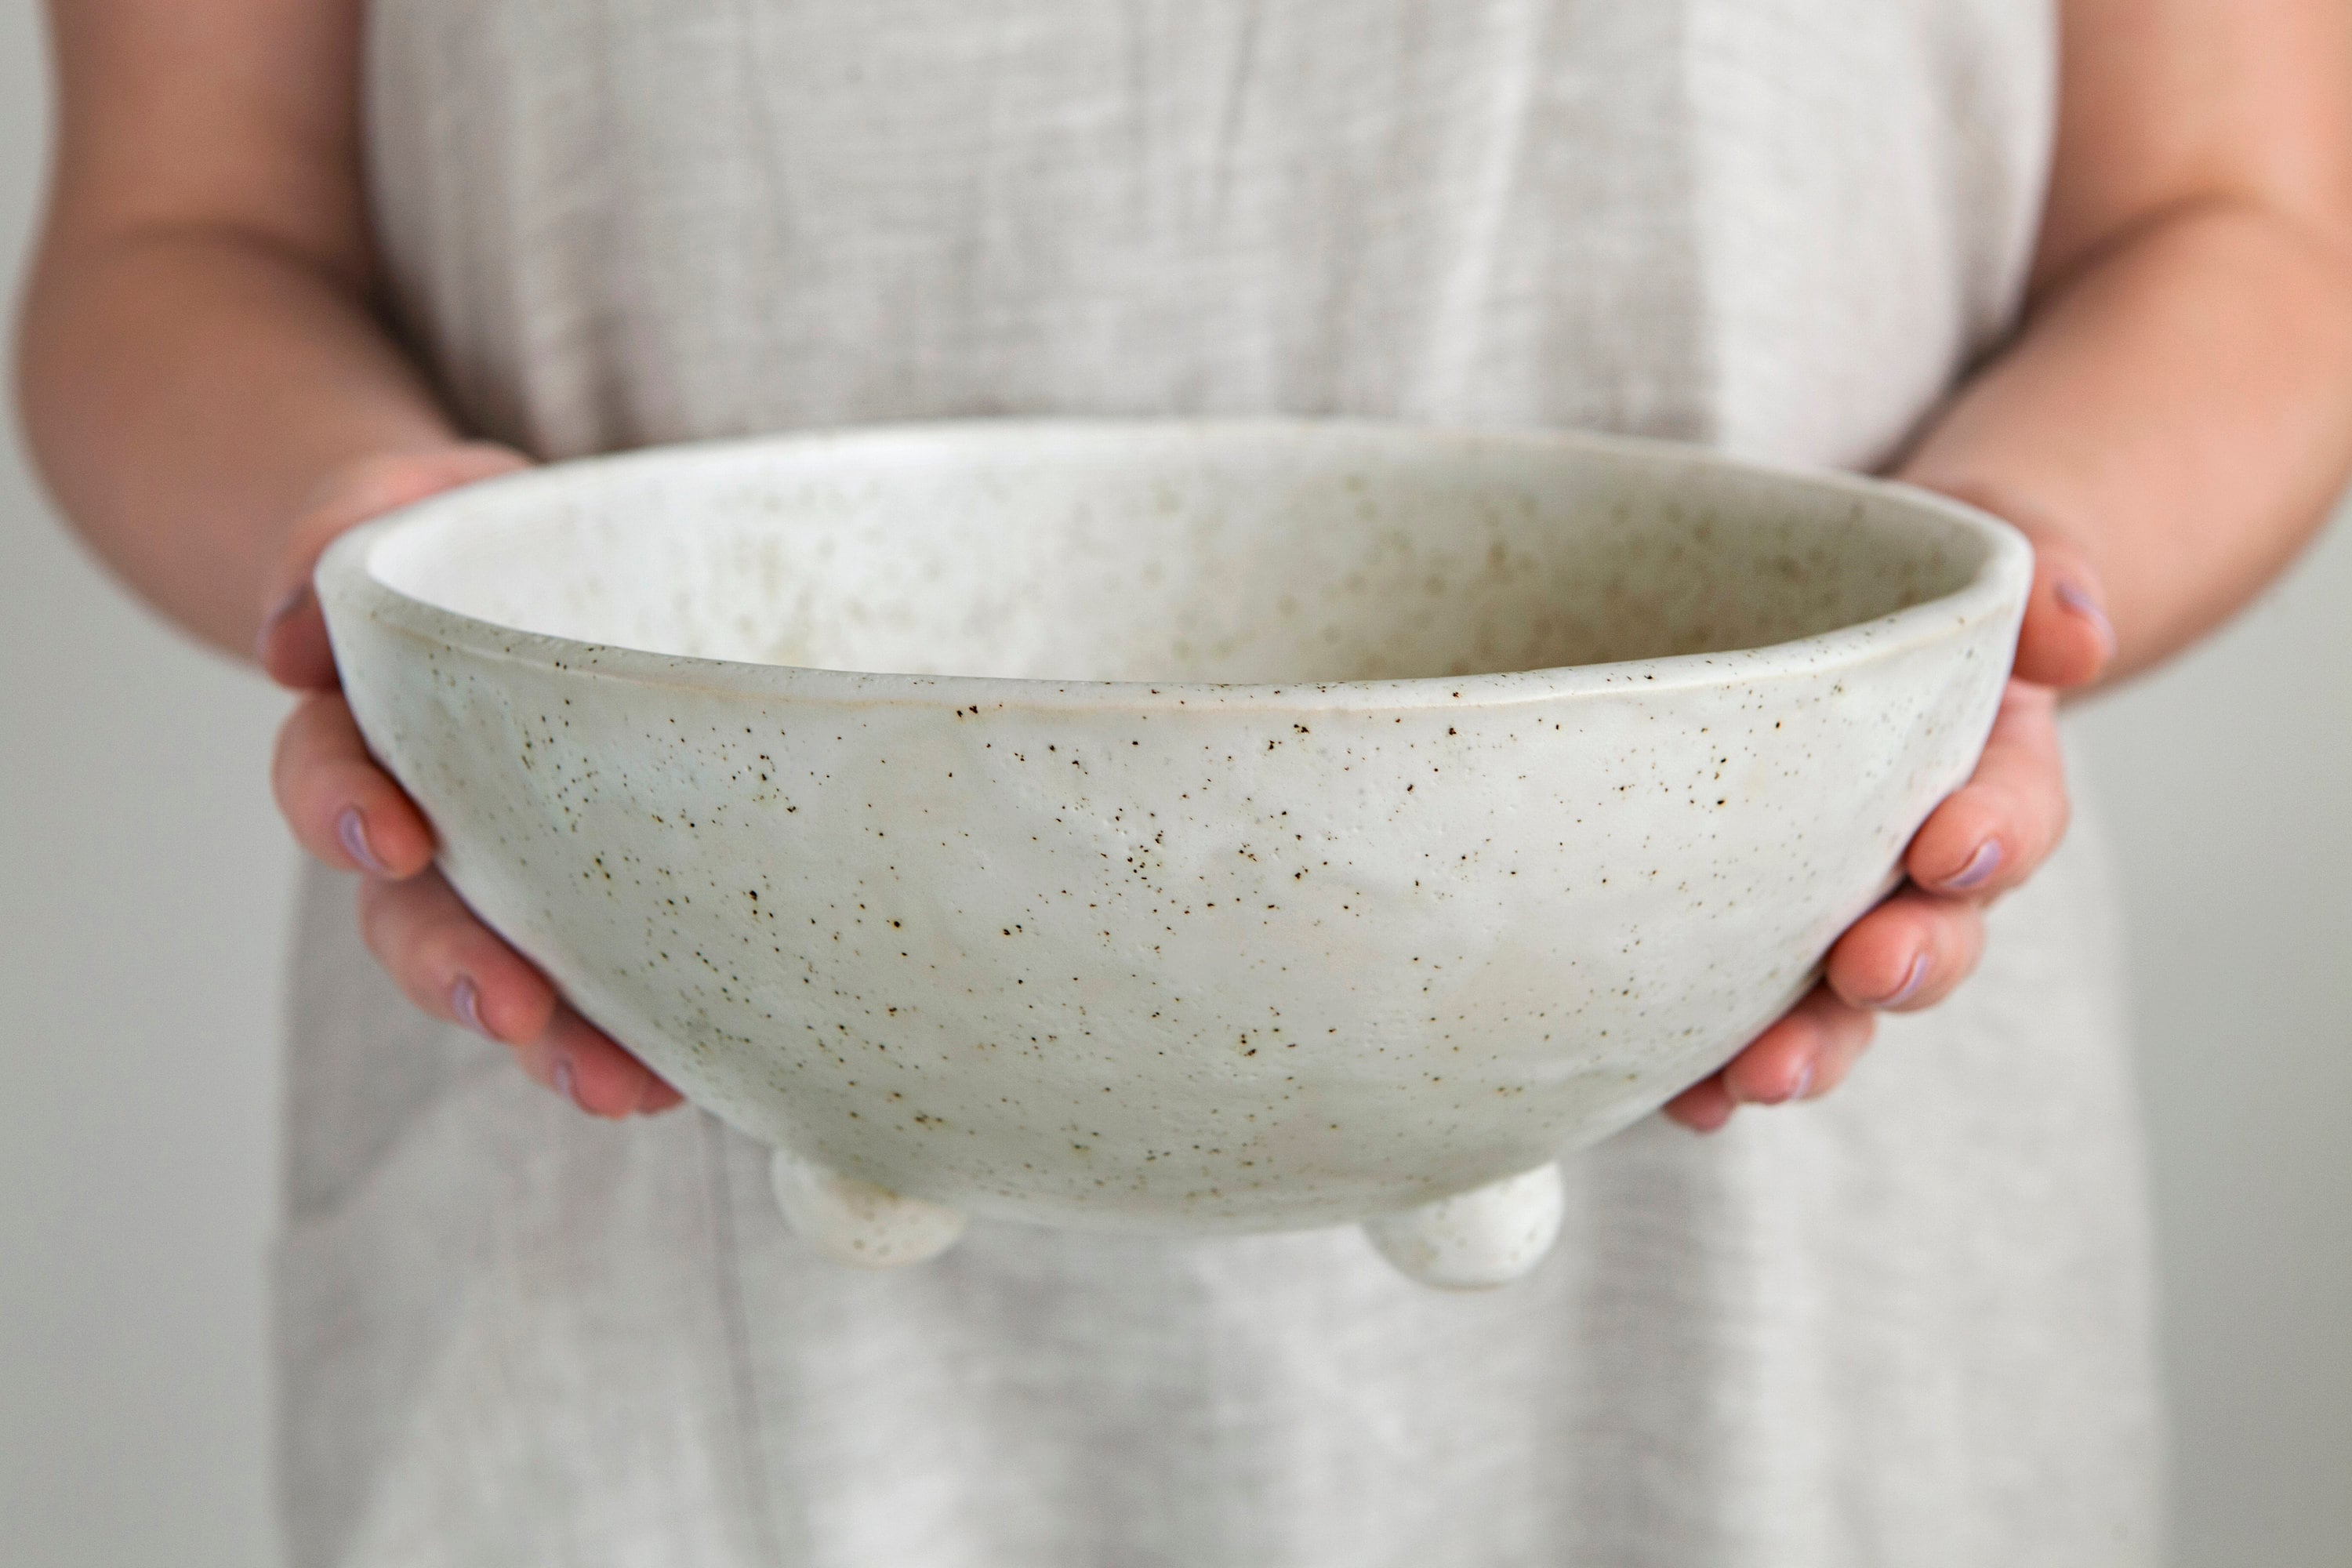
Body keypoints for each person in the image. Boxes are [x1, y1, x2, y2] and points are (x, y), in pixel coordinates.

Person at [18, 1, 2352, 1563]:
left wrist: (2005, 591)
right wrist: (385, 565)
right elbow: (178, 235)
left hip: (1783, 1153)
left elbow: (2243, 227)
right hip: (639, 1122)